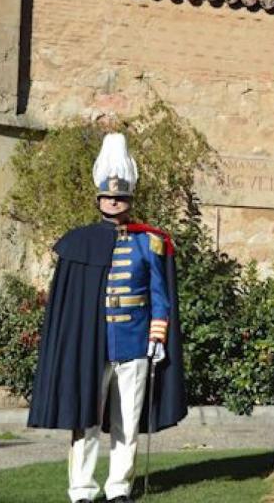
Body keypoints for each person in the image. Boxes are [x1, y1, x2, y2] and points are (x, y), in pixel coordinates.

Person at [28, 133, 187, 503]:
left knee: (127, 423)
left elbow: (160, 296)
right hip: (92, 344)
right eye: (109, 196)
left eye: (121, 197)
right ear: (99, 198)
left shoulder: (149, 242)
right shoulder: (79, 242)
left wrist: (157, 336)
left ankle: (119, 489)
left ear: (129, 200)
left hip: (134, 343)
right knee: (85, 423)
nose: (114, 201)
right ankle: (81, 489)